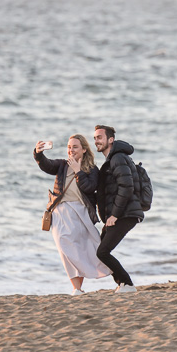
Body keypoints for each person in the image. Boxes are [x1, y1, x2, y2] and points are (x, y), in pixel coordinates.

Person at [34, 134, 111, 295]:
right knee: (65, 248)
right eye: (69, 147)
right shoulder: (62, 165)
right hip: (60, 212)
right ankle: (76, 287)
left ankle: (78, 288)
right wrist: (38, 153)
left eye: (75, 147)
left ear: (84, 149)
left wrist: (78, 171)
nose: (71, 150)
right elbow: (47, 165)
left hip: (80, 212)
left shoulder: (92, 169)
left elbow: (89, 188)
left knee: (79, 249)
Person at [92, 124, 144, 294]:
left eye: (100, 137)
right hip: (122, 213)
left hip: (125, 214)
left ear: (110, 140)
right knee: (102, 249)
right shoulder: (112, 159)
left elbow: (126, 187)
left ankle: (128, 284)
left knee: (103, 251)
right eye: (94, 138)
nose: (96, 141)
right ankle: (122, 283)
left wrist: (114, 215)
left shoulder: (118, 158)